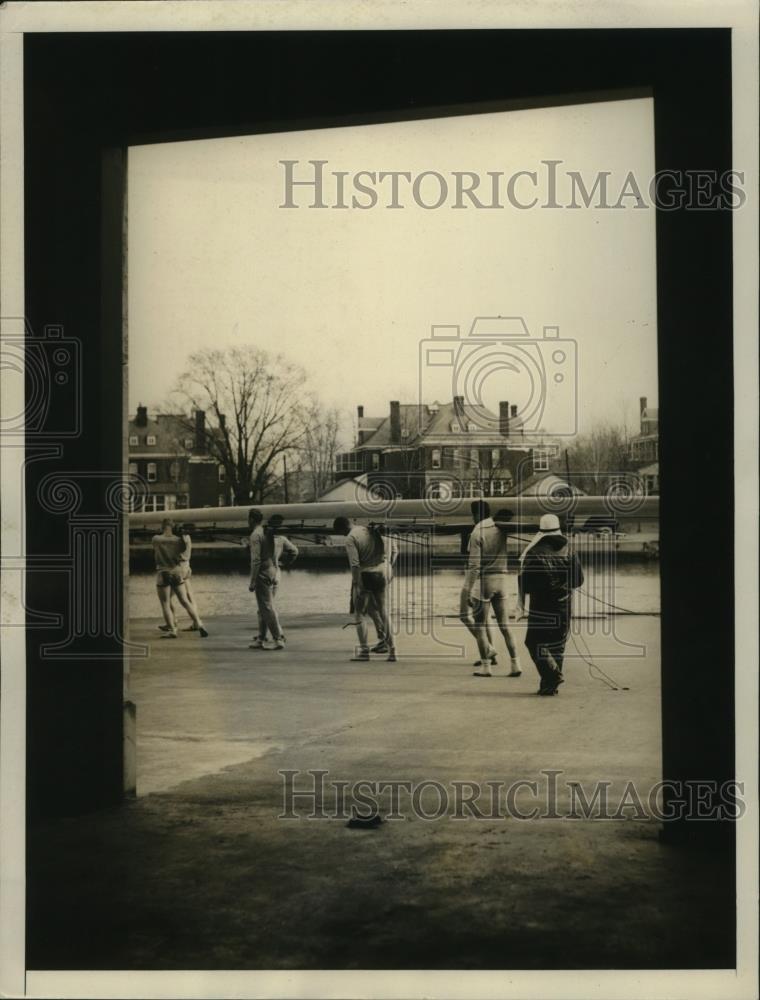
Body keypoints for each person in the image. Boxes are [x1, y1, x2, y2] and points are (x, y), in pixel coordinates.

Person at [517, 513, 583, 696]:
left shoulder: (533, 552)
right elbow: (578, 580)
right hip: (564, 605)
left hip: (541, 607)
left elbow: (527, 586)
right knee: (557, 645)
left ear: (541, 530)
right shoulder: (569, 549)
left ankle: (552, 676)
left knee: (533, 642)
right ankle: (549, 686)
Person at [461, 502, 522, 678]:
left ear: (475, 515)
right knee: (505, 626)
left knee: (480, 627)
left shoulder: (477, 532)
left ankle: (486, 667)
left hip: (484, 582)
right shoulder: (500, 528)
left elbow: (474, 566)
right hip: (502, 579)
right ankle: (515, 664)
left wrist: (468, 589)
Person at [333, 516, 396, 663]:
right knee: (383, 611)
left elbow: (354, 564)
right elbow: (391, 551)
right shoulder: (368, 530)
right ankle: (393, 651)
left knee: (359, 614)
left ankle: (364, 651)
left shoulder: (351, 538)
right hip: (383, 572)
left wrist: (357, 583)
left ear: (342, 528)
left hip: (367, 574)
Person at [152, 518, 208, 639]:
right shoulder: (178, 541)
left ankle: (172, 629)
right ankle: (199, 624)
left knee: (165, 603)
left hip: (163, 572)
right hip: (177, 572)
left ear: (163, 527)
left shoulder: (156, 539)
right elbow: (182, 551)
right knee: (185, 601)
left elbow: (157, 546)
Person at [249, 513, 298, 649]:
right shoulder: (281, 538)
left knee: (266, 607)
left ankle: (278, 638)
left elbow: (256, 560)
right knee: (265, 607)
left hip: (263, 573)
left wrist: (252, 580)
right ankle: (261, 637)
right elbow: (295, 551)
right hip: (276, 573)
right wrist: (285, 562)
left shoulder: (259, 535)